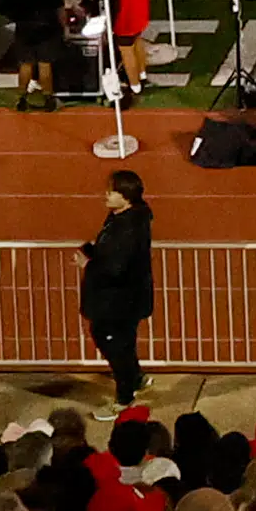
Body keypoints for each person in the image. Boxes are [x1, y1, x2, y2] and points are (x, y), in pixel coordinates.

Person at [80, 170, 160, 411]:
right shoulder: (125, 217)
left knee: (112, 342)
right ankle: (134, 377)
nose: (106, 195)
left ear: (126, 197)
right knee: (124, 341)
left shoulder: (128, 227)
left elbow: (116, 267)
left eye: (112, 191)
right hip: (125, 299)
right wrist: (92, 250)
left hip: (119, 301)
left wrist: (89, 264)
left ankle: (125, 396)